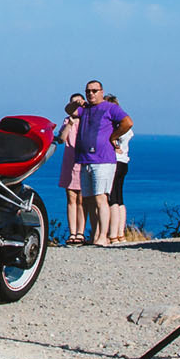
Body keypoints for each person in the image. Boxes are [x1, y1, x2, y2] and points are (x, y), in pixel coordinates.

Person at [72, 80, 132, 246]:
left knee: (101, 198)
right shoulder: (85, 109)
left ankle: (103, 237)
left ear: (101, 92)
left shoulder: (110, 108)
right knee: (89, 199)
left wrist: (113, 136)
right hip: (85, 159)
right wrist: (76, 103)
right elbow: (69, 110)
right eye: (88, 91)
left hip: (103, 160)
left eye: (94, 90)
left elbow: (128, 122)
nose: (91, 94)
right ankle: (95, 234)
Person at [55, 96, 86, 244]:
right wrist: (69, 124)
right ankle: (72, 232)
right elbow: (61, 139)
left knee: (81, 199)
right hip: (69, 161)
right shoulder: (67, 121)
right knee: (71, 198)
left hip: (82, 161)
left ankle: (80, 232)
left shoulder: (86, 120)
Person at [104, 93, 131, 243]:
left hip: (113, 162)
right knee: (119, 198)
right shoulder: (125, 127)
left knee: (112, 198)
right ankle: (120, 233)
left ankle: (113, 234)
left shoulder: (114, 127)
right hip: (124, 162)